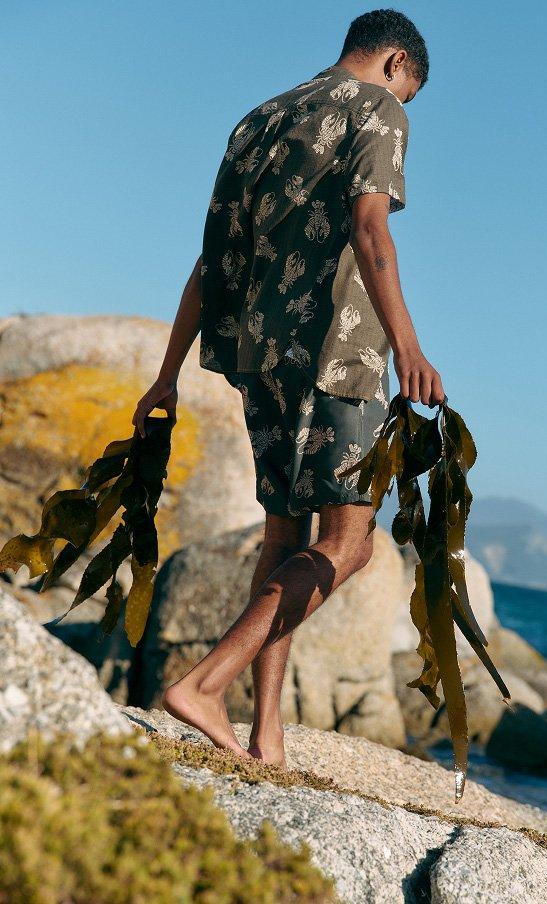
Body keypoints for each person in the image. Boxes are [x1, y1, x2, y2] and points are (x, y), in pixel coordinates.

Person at [132, 9, 444, 767]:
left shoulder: (257, 121)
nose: (406, 104)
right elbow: (372, 230)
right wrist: (408, 346)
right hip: (340, 353)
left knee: (284, 538)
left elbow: (209, 263)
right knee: (352, 541)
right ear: (397, 63)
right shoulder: (379, 109)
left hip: (258, 354)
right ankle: (205, 683)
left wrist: (167, 373)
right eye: (411, 89)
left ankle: (265, 736)